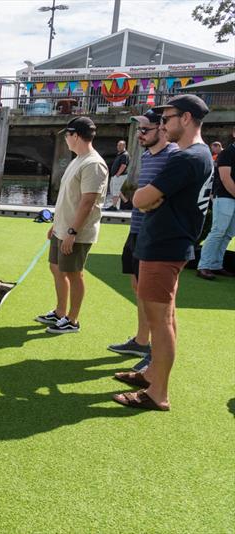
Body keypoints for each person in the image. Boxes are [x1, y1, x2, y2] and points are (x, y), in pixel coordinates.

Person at [112, 94, 214, 412]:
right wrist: (151, 197)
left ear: (185, 119)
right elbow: (150, 198)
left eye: (167, 118)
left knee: (160, 321)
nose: (163, 125)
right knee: (166, 316)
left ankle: (158, 393)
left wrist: (148, 197)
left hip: (165, 246)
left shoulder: (187, 158)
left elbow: (142, 198)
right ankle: (152, 375)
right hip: (170, 243)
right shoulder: (199, 155)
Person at [107, 110, 178, 372]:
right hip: (137, 230)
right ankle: (140, 340)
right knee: (138, 288)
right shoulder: (148, 155)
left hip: (156, 236)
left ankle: (155, 352)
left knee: (157, 299)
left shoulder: (173, 156)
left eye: (145, 130)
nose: (140, 135)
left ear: (162, 127)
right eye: (139, 130)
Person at [35, 117, 108, 334]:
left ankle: (72, 320)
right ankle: (59, 312)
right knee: (56, 268)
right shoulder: (78, 159)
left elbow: (88, 202)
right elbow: (69, 197)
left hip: (76, 232)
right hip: (63, 227)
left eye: (67, 135)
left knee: (74, 272)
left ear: (75, 135)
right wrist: (56, 225)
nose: (65, 139)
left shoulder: (93, 163)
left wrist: (72, 232)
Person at [197, 127, 235, 280]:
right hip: (224, 197)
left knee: (228, 235)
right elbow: (226, 179)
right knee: (218, 231)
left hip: (230, 197)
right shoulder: (227, 153)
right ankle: (204, 265)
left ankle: (216, 265)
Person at [105, 140, 129, 210]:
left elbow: (123, 165)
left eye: (120, 145)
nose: (118, 147)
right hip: (115, 176)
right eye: (118, 145)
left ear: (124, 146)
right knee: (115, 190)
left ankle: (114, 206)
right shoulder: (120, 154)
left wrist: (117, 174)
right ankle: (126, 202)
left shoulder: (125, 155)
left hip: (120, 176)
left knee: (115, 190)